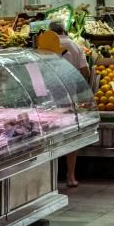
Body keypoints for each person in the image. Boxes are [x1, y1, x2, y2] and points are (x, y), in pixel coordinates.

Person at [47, 20, 92, 187]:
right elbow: (85, 71)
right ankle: (70, 176)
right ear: (64, 30)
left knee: (50, 134)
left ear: (50, 32)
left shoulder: (45, 46)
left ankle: (50, 177)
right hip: (70, 97)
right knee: (71, 135)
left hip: (49, 98)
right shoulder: (75, 46)